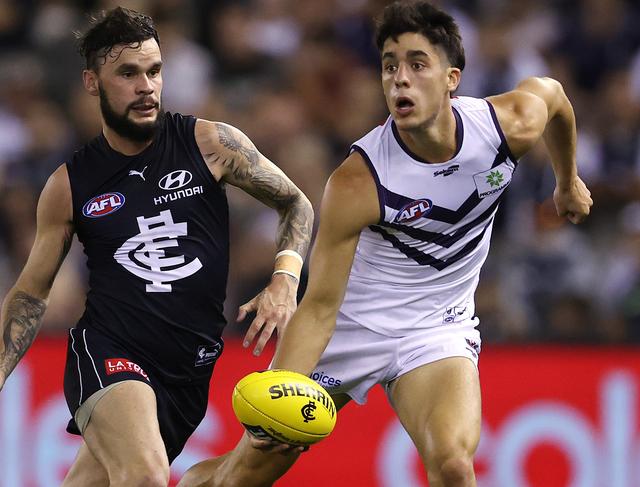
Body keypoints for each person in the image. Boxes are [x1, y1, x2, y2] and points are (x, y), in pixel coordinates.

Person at [180, 1, 593, 486]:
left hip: (436, 327)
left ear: (451, 78)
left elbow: (557, 98)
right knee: (243, 476)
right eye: (390, 66)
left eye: (418, 64)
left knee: (456, 468)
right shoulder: (359, 181)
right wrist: (283, 386)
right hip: (352, 328)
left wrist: (567, 181)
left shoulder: (507, 127)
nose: (400, 78)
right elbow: (319, 306)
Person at [0, 7, 313, 487]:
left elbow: (297, 204)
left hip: (188, 373)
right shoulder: (70, 185)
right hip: (109, 351)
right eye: (127, 73)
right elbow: (30, 294)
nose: (146, 86)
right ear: (92, 82)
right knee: (145, 475)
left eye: (154, 71)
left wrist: (284, 279)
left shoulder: (211, 143)